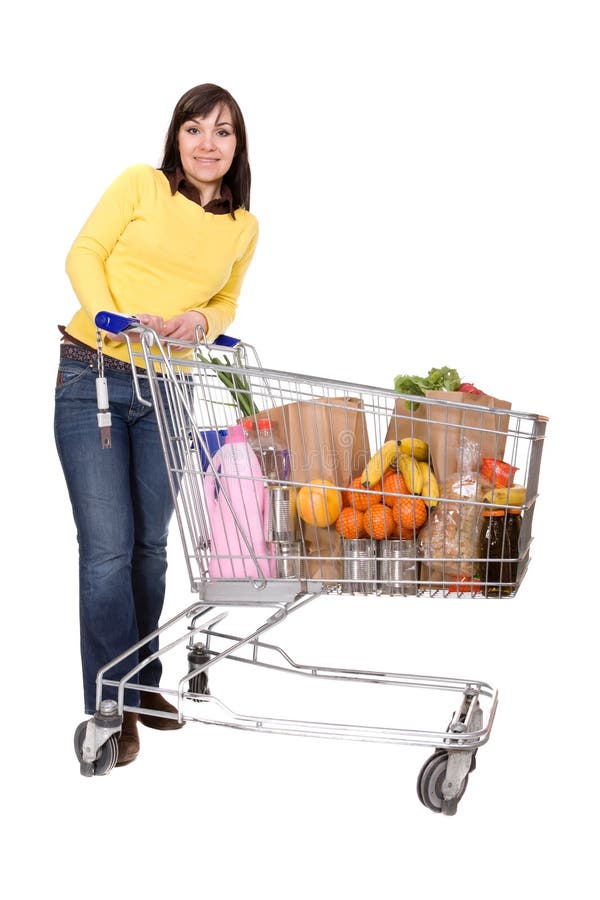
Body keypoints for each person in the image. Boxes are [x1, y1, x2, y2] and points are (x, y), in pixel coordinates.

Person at [55, 83, 258, 767]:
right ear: (176, 137)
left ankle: (141, 684)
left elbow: (226, 298)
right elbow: (82, 252)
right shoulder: (140, 186)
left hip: (169, 384)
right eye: (194, 128)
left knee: (151, 549)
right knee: (108, 549)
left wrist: (201, 322)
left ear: (237, 147)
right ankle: (109, 701)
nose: (207, 143)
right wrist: (112, 316)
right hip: (96, 376)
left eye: (223, 132)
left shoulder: (243, 226)